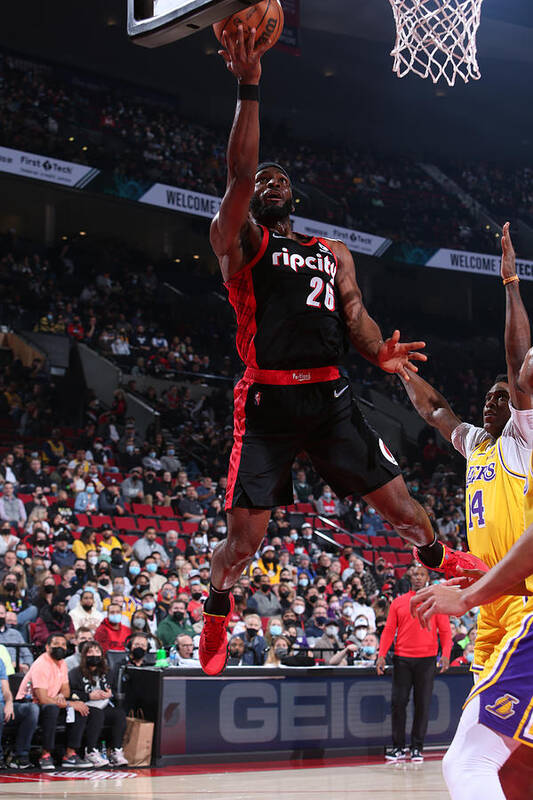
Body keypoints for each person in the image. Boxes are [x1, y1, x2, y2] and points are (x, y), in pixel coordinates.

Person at [199, 26, 486, 676]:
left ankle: (437, 560)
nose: (268, 182)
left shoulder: (332, 253)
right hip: (268, 399)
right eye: (261, 180)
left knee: (406, 511)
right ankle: (217, 601)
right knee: (243, 544)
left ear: (293, 198)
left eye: (279, 179)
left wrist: (377, 351)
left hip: (329, 395)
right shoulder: (239, 240)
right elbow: (240, 170)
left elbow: (353, 313)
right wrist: (250, 83)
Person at [401, 223, 533, 676]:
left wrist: (511, 284)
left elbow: (518, 368)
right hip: (488, 594)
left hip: (523, 593)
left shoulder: (523, 436)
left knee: (509, 711)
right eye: (488, 397)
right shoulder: (478, 442)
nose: (491, 402)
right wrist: (401, 370)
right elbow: (437, 411)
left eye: (501, 397)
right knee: (483, 706)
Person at [410, 516, 533, 800]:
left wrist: (468, 596)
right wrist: (482, 583)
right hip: (501, 610)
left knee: (469, 762)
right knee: (512, 770)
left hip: (521, 615)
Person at [376, 566, 451, 763]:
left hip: (427, 660)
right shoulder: (399, 603)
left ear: (427, 577)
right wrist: (381, 654)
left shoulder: (435, 602)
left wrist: (446, 654)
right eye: (415, 574)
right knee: (398, 703)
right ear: (410, 577)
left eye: (422, 574)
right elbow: (389, 630)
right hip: (402, 659)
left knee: (422, 704)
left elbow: (445, 631)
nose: (418, 577)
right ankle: (398, 747)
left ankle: (417, 748)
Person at [15, 633, 90, 769]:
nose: (60, 647)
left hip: (51, 701)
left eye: (63, 644)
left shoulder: (62, 663)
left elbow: (66, 690)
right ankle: (45, 755)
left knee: (81, 708)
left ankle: (70, 754)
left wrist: (62, 696)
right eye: (56, 644)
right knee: (52, 708)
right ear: (47, 647)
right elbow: (43, 699)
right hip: (31, 704)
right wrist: (67, 703)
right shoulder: (41, 664)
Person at [68, 640, 128, 766]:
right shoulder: (75, 673)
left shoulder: (108, 672)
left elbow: (112, 690)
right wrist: (88, 695)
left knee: (119, 714)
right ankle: (90, 751)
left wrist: (110, 693)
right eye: (90, 652)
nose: (94, 655)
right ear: (84, 656)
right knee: (97, 714)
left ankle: (116, 751)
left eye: (97, 651)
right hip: (85, 705)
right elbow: (71, 694)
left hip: (103, 704)